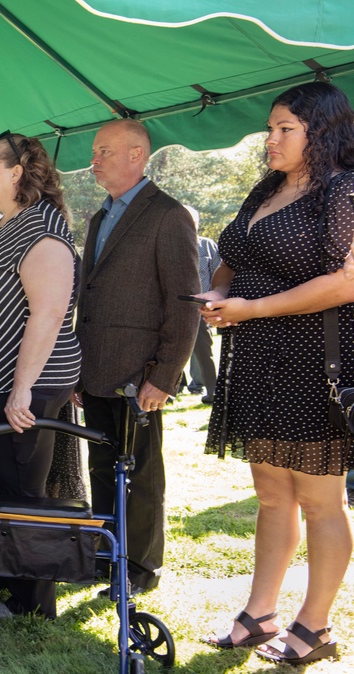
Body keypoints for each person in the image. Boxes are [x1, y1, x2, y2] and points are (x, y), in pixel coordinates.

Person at [200, 82, 354, 666]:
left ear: (324, 131)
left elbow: (346, 283)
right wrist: (216, 292)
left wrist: (253, 308)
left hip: (316, 362)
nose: (271, 139)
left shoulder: (343, 192)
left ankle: (314, 626)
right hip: (258, 360)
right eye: (271, 128)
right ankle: (259, 613)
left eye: (285, 129)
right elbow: (233, 257)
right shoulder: (267, 188)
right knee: (270, 495)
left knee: (320, 501)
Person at [0, 133, 81, 620]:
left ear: (17, 172)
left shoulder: (43, 232)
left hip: (23, 385)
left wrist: (21, 389)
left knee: (22, 489)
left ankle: (34, 604)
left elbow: (46, 316)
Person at [76, 119, 199, 596]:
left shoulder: (168, 215)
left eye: (104, 151)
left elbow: (183, 302)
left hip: (139, 375)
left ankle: (141, 569)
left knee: (141, 476)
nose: (95, 159)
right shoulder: (100, 217)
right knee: (102, 469)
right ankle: (109, 557)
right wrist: (77, 369)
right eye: (95, 150)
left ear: (136, 155)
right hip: (96, 371)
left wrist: (165, 377)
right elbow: (91, 300)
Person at [184, 205, 221, 403]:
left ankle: (213, 392)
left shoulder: (208, 246)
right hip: (172, 309)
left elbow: (219, 276)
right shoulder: (169, 246)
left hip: (200, 310)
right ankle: (171, 391)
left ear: (197, 224)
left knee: (204, 353)